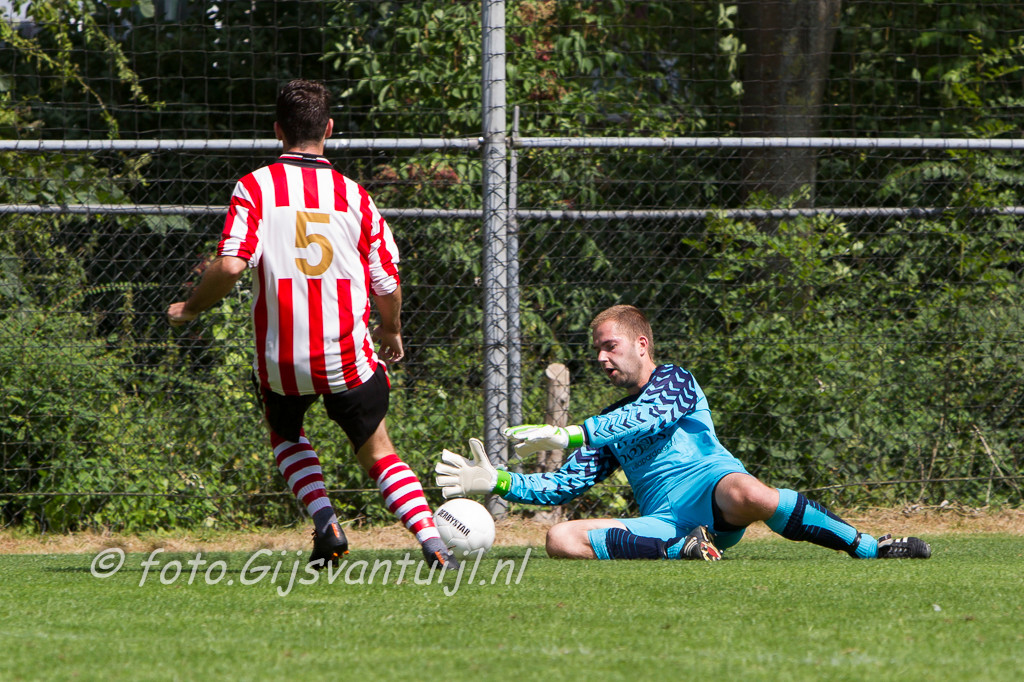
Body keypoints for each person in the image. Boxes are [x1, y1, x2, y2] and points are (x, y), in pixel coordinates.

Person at [168, 78, 458, 571]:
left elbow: (233, 265)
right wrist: (391, 330)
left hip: (281, 360)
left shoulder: (256, 187)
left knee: (285, 435)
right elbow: (387, 283)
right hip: (346, 357)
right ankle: (433, 543)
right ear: (329, 128)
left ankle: (326, 522)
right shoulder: (354, 196)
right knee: (378, 452)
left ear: (277, 130)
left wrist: (191, 307)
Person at [436, 304, 931, 561]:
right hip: (668, 523)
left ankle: (869, 546)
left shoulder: (675, 380)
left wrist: (571, 435)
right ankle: (684, 549)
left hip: (715, 491)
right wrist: (498, 481)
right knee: (560, 539)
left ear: (641, 344)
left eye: (610, 347)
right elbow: (565, 484)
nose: (602, 358)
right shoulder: (606, 422)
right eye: (598, 351)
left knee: (750, 491)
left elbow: (646, 416)